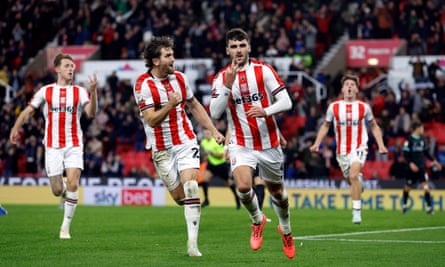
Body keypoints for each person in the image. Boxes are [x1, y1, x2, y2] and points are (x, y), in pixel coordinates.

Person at [133, 36, 224, 257]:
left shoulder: (180, 79)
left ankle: (192, 244)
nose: (173, 59)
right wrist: (170, 104)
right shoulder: (142, 85)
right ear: (156, 61)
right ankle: (191, 214)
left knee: (191, 185)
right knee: (180, 197)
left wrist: (212, 129)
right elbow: (152, 120)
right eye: (168, 55)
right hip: (161, 147)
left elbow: (193, 105)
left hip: (185, 140)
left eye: (173, 54)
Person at [210, 28, 295, 259]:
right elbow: (216, 114)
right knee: (244, 186)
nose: (238, 50)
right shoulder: (221, 77)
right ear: (227, 49)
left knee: (278, 193)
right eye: (234, 46)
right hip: (240, 143)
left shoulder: (263, 70)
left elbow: (287, 101)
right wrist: (227, 86)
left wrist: (265, 110)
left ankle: (286, 231)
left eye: (242, 45)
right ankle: (257, 220)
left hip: (269, 143)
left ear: (249, 47)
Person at [9, 53, 98, 239]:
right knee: (57, 189)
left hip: (74, 143)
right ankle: (66, 191)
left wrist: (94, 91)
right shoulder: (46, 91)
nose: (71, 69)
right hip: (53, 145)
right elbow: (27, 111)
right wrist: (15, 129)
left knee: (73, 181)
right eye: (66, 66)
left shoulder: (80, 91)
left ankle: (65, 227)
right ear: (57, 69)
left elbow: (90, 113)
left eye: (72, 66)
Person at [310, 74, 388, 224]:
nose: (350, 87)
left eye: (353, 84)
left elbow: (373, 126)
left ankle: (356, 212)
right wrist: (316, 143)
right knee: (352, 179)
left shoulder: (364, 107)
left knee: (353, 175)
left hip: (359, 147)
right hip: (342, 151)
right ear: (342, 89)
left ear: (357, 89)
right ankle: (358, 183)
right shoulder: (334, 107)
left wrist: (381, 145)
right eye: (347, 85)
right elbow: (325, 125)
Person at [401, 120, 441, 214]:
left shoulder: (422, 140)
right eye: (422, 128)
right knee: (408, 187)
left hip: (421, 167)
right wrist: (411, 164)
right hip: (412, 168)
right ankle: (404, 205)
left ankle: (429, 208)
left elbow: (426, 153)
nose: (423, 129)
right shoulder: (409, 140)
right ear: (417, 128)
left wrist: (434, 161)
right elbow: (406, 154)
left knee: (426, 186)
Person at [199, 128, 240, 209]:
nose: (206, 135)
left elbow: (222, 155)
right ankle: (206, 200)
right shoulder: (203, 142)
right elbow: (205, 154)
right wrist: (206, 156)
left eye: (208, 133)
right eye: (205, 133)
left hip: (221, 165)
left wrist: (211, 153)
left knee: (228, 183)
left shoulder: (216, 141)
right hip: (211, 164)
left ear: (211, 134)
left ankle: (237, 198)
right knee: (204, 179)